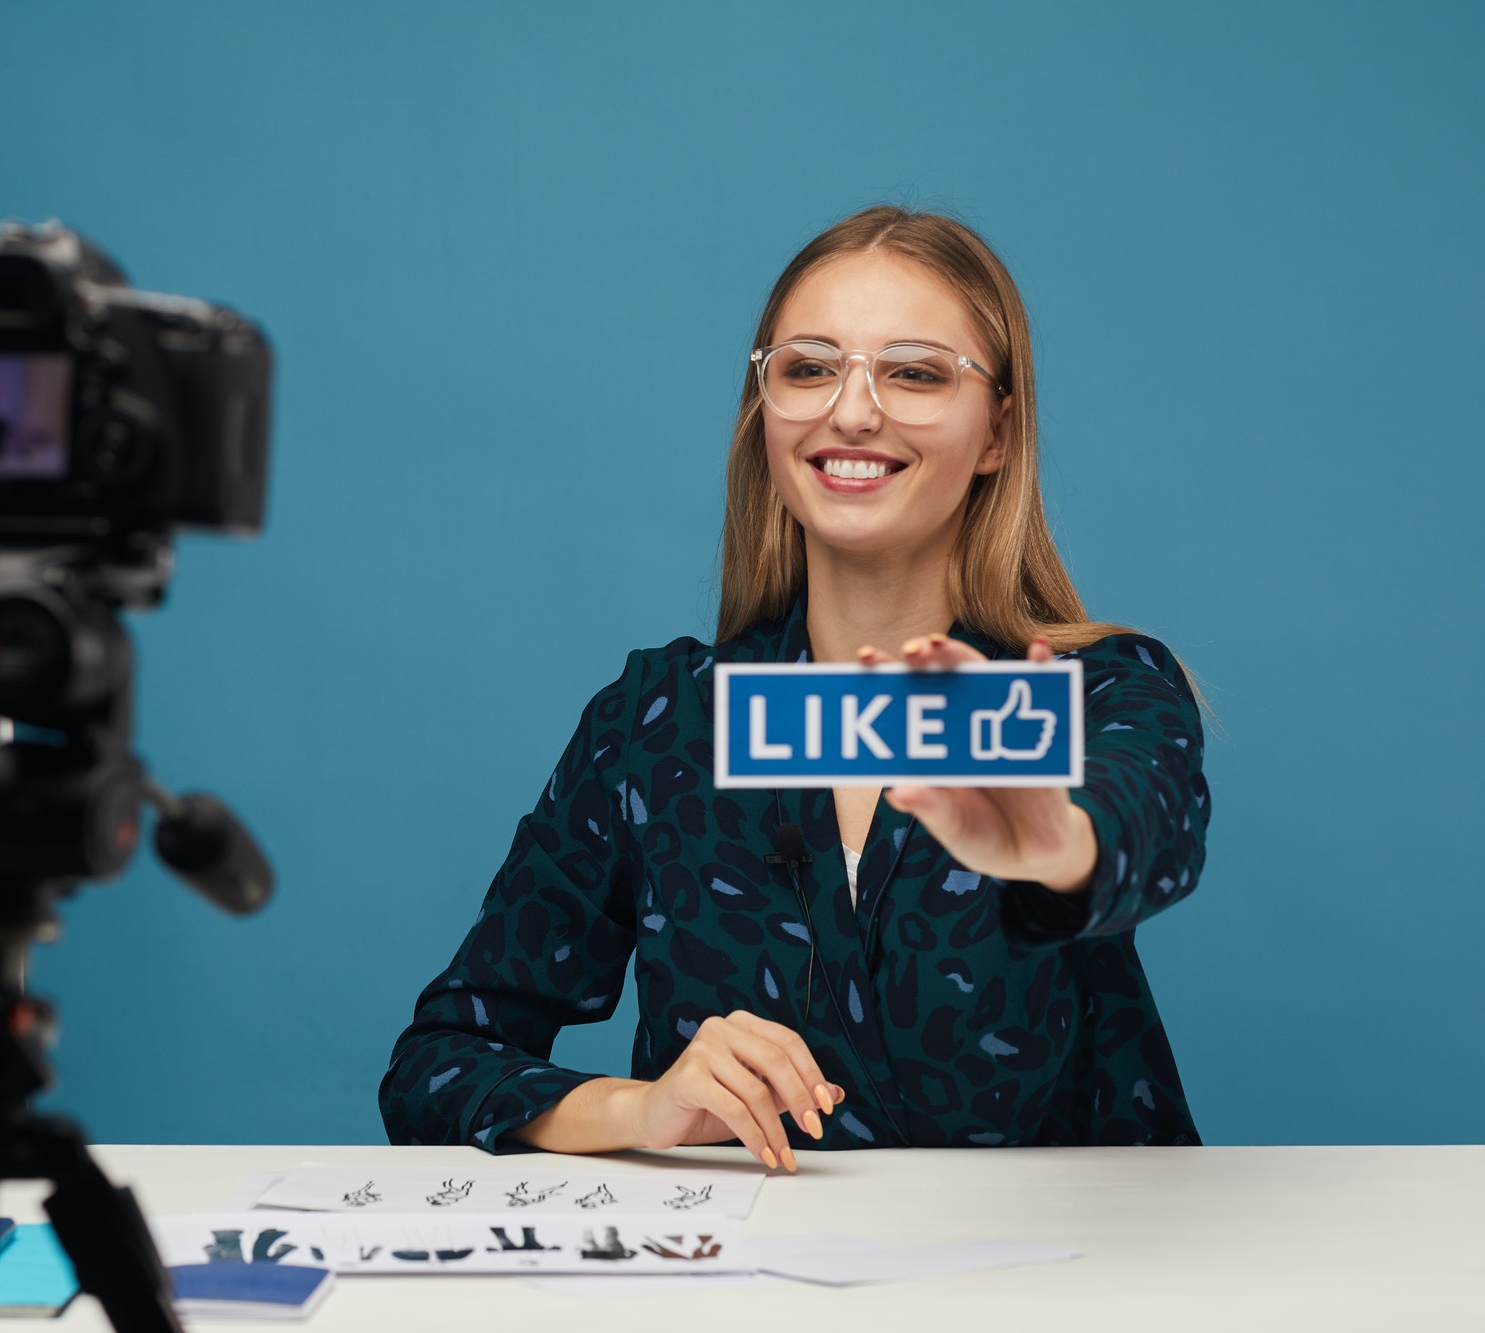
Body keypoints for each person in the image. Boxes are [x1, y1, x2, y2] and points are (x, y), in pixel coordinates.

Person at [378, 205, 1209, 1169]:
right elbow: (439, 1063)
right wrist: (637, 1108)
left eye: (915, 372)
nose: (852, 412)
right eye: (810, 368)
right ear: (763, 411)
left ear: (997, 433)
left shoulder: (1097, 690)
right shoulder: (661, 721)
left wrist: (1059, 841)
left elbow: (1152, 834)